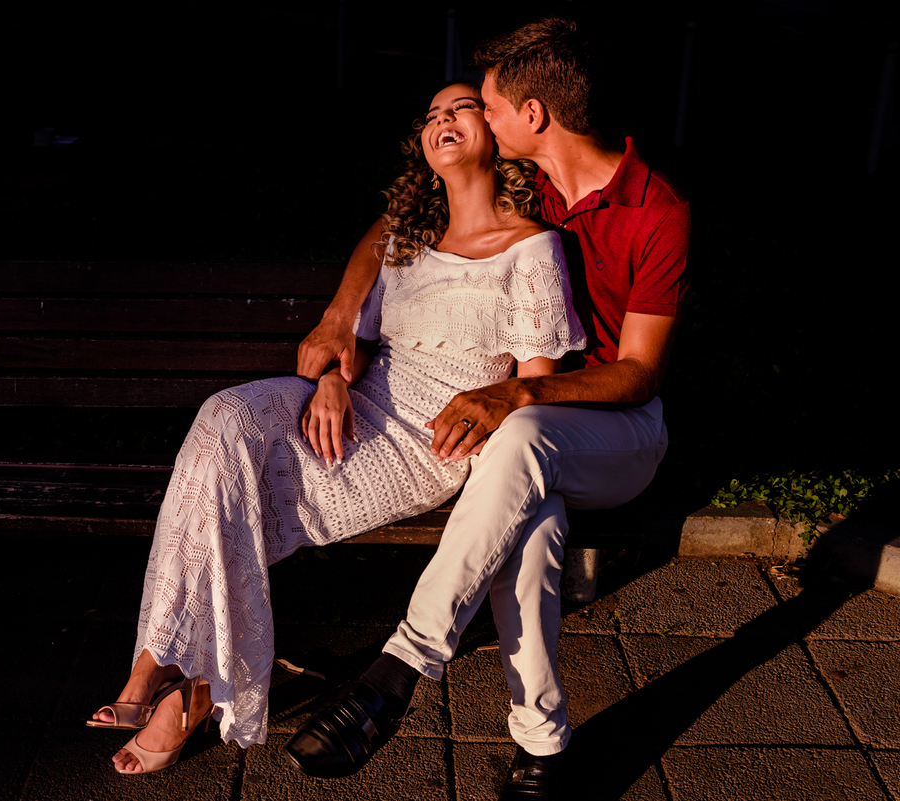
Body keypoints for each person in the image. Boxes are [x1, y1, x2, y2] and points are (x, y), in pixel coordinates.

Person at [87, 81, 587, 775]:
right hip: (360, 406)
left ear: (496, 134)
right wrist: (330, 378)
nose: (442, 118)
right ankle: (164, 669)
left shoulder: (533, 251)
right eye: (433, 113)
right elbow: (353, 334)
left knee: (232, 504)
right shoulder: (407, 240)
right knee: (224, 419)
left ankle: (174, 687)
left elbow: (534, 387)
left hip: (425, 444)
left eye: (461, 108)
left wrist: (491, 420)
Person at [287, 18, 690, 799]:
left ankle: (402, 663)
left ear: (533, 117)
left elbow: (638, 373)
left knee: (524, 436)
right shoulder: (527, 181)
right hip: (524, 434)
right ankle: (544, 747)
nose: (479, 120)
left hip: (621, 434)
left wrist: (518, 389)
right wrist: (342, 313)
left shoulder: (656, 211)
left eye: (491, 107)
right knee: (527, 522)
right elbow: (395, 225)